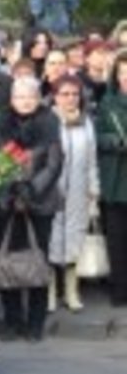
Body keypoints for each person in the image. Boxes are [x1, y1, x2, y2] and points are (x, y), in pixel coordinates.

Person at [0, 77, 63, 342]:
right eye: (20, 97)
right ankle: (13, 319)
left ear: (38, 98)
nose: (25, 101)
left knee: (38, 261)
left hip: (40, 201)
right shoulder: (0, 121)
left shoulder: (49, 121)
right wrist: (13, 191)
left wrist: (31, 190)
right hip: (7, 202)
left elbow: (54, 163)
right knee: (7, 259)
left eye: (31, 96)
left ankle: (36, 322)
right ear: (12, 99)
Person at [48, 75, 99, 312]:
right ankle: (49, 291)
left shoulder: (86, 123)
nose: (70, 99)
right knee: (51, 239)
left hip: (78, 190)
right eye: (65, 94)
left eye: (74, 94)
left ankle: (71, 290)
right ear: (55, 97)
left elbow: (91, 160)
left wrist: (93, 189)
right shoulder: (47, 121)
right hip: (52, 191)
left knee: (75, 239)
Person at [96, 51, 127, 306]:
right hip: (116, 180)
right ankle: (120, 289)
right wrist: (114, 141)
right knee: (116, 239)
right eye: (124, 73)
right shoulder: (107, 103)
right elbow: (96, 136)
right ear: (116, 76)